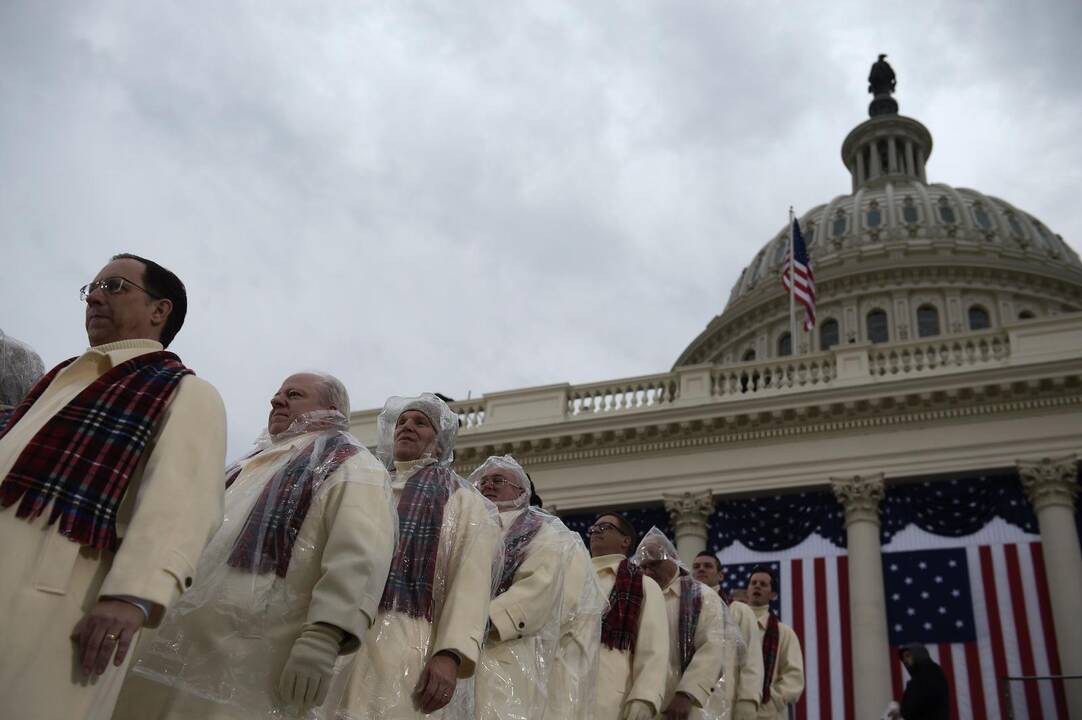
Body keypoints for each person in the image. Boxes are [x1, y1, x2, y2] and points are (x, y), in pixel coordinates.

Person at [0, 254, 227, 720]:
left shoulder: (184, 391)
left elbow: (181, 504)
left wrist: (131, 597)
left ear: (159, 311)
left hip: (61, 602)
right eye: (92, 287)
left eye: (115, 285)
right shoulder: (57, 381)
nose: (96, 296)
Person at [114, 372, 397, 719]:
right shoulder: (245, 464)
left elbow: (360, 554)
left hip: (252, 657)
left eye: (293, 395)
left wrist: (323, 636)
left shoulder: (354, 464)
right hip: (171, 643)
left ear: (331, 409)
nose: (277, 401)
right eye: (277, 395)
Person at [337, 394, 501, 720]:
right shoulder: (365, 485)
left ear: (440, 444)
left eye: (420, 422)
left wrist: (450, 654)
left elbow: (470, 584)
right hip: (342, 634)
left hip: (407, 642)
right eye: (402, 422)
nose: (407, 427)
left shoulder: (464, 501)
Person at [469, 455, 580, 720]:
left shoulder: (543, 531)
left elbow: (538, 588)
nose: (488, 486)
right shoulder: (468, 525)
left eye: (498, 480)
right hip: (455, 649)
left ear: (521, 492)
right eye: (483, 481)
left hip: (504, 650)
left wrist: (477, 620)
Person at [632, 529, 727, 720]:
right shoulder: (637, 599)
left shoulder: (701, 596)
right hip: (641, 705)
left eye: (655, 563)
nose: (649, 571)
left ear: (672, 558)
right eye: (644, 567)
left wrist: (686, 693)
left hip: (685, 708)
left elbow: (712, 648)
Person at [588, 511, 668, 720]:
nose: (596, 531)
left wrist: (645, 697)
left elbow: (654, 648)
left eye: (605, 527)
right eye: (593, 528)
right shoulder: (569, 575)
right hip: (558, 692)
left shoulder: (642, 585)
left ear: (625, 540)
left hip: (608, 700)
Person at [733, 567, 803, 720]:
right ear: (747, 590)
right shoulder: (731, 625)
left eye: (763, 584)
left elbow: (794, 677)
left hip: (768, 713)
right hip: (731, 709)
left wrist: (773, 700)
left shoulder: (784, 633)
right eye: (753, 583)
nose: (757, 586)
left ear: (773, 595)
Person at [891, 643, 949, 720]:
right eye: (903, 658)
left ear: (918, 654)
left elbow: (919, 701)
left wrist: (901, 711)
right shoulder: (925, 674)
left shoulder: (929, 673)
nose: (905, 661)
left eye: (908, 656)